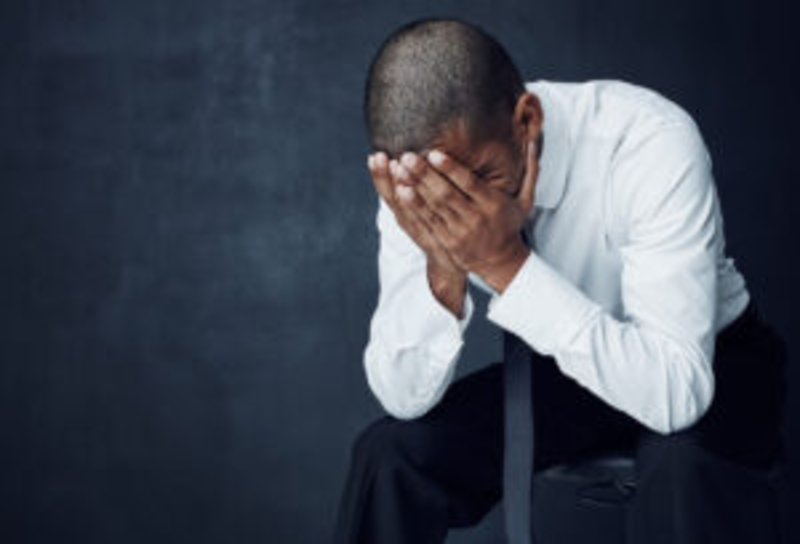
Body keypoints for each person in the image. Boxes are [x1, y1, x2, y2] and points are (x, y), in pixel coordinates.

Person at [333, 16, 788, 544]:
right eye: (440, 193)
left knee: (680, 465)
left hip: (702, 363)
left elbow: (676, 394)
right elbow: (403, 397)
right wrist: (443, 271)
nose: (463, 210)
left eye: (480, 178)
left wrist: (506, 265)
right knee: (388, 455)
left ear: (527, 120)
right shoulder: (419, 187)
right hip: (572, 372)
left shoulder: (649, 141)